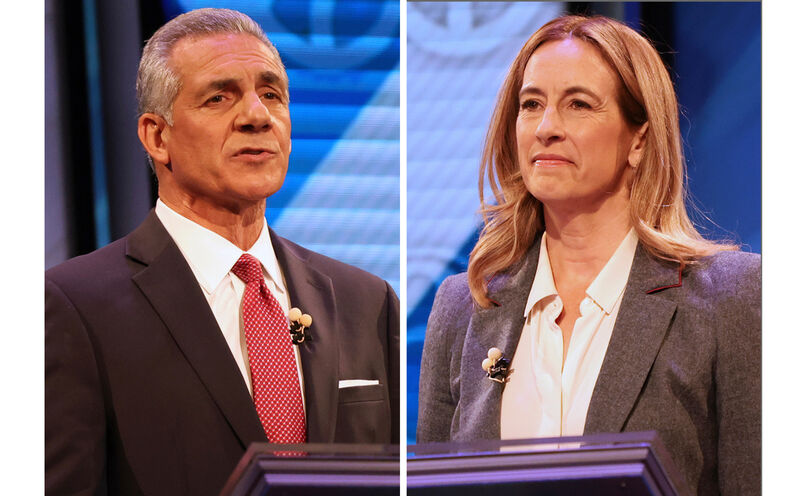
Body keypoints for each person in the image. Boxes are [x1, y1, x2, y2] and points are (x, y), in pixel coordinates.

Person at [45, 8, 399, 496]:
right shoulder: (73, 308)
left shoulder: (367, 301)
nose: (258, 116)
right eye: (219, 97)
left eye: (272, 94)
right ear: (156, 136)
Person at [417, 15, 759, 496]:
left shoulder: (731, 298)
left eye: (579, 105)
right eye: (531, 104)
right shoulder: (463, 305)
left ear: (638, 139)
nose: (546, 128)